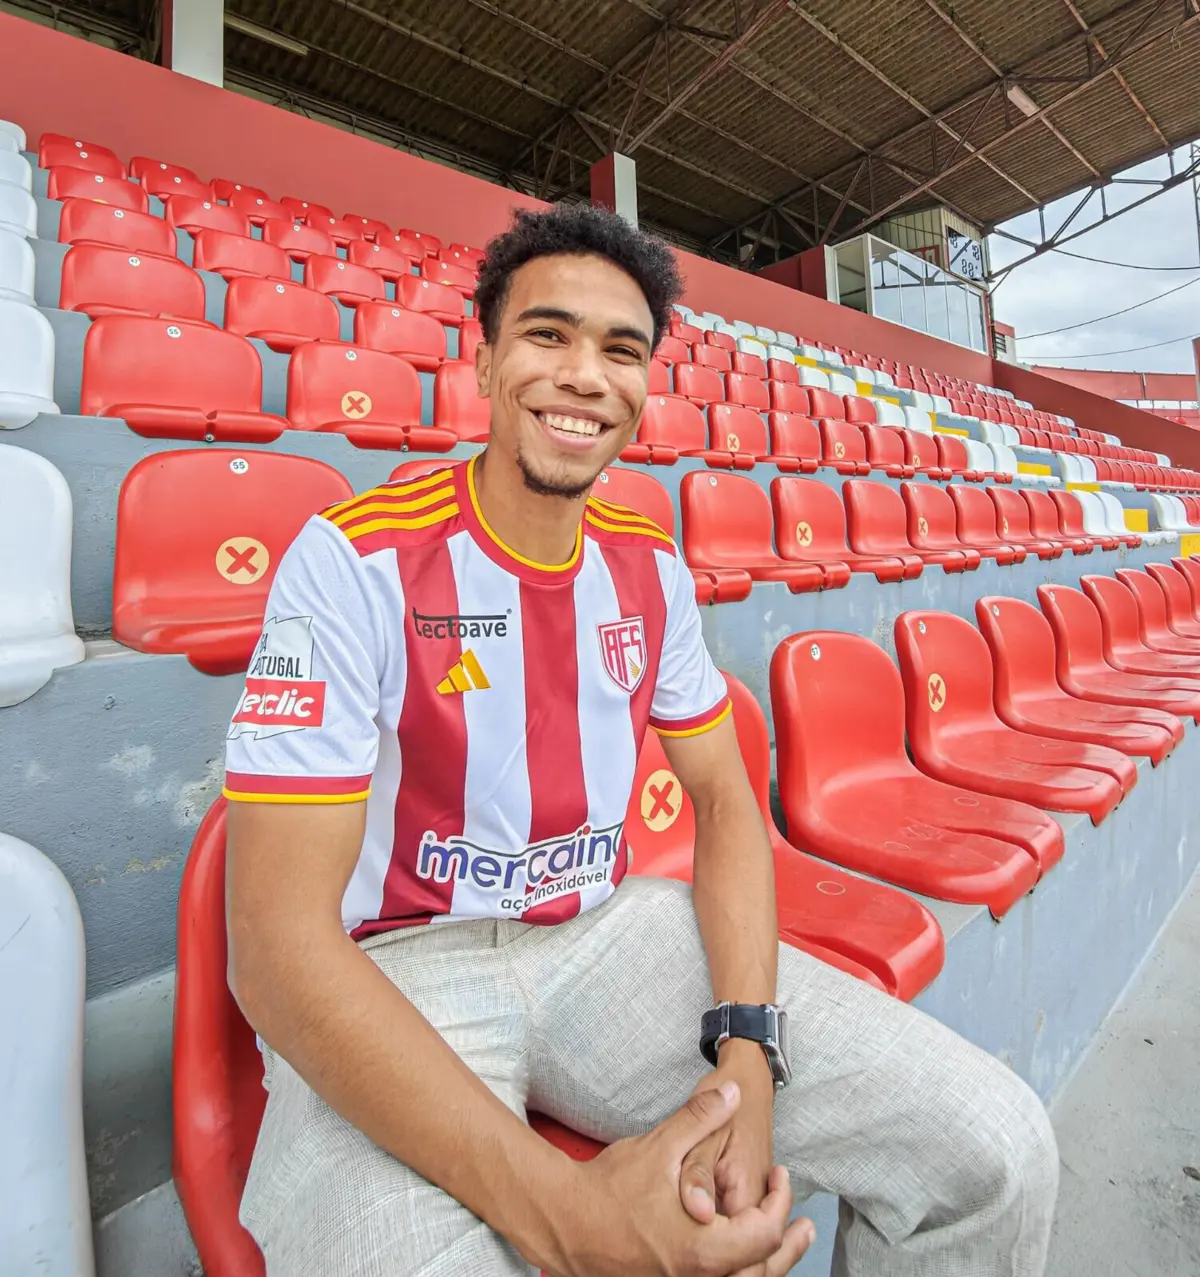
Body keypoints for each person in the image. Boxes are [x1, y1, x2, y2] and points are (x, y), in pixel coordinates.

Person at [223, 202, 1059, 1277]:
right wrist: (577, 1222)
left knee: (995, 1149)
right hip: (395, 968)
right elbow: (277, 950)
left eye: (621, 350)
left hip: (603, 940)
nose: (584, 375)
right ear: (484, 361)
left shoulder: (646, 565)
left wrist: (750, 1052)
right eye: (547, 335)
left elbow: (724, 802)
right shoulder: (352, 561)